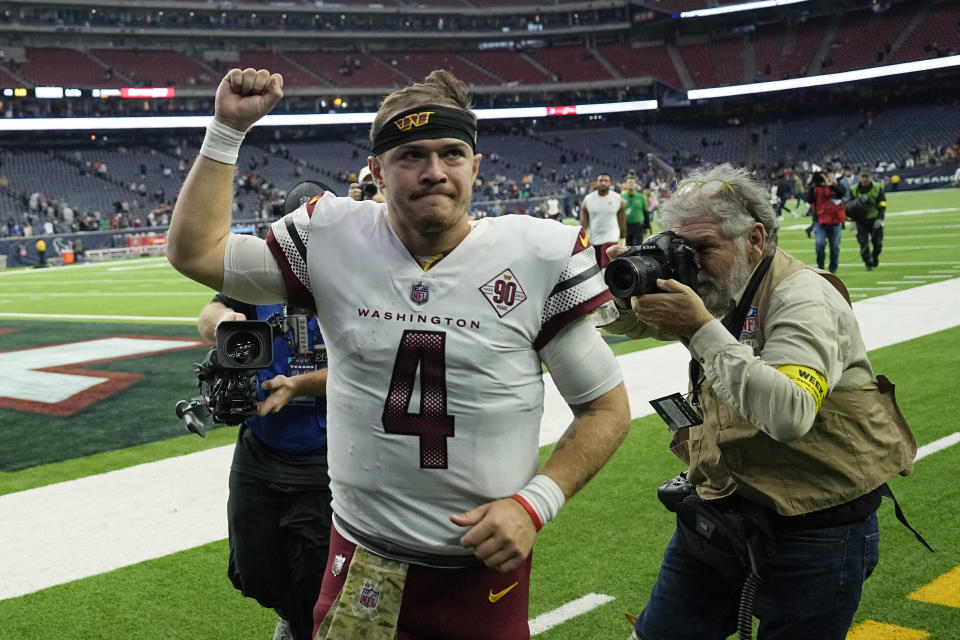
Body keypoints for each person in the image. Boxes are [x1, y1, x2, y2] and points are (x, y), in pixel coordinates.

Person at [167, 67, 631, 640]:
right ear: (377, 172)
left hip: (479, 572)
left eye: (452, 153)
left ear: (475, 166)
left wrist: (536, 502)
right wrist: (227, 129)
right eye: (411, 155)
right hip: (361, 555)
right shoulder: (331, 235)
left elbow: (606, 408)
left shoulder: (534, 254)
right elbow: (196, 252)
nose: (434, 172)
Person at [602, 164, 920, 640]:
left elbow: (790, 413)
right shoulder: (722, 282)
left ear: (754, 239)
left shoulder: (804, 296)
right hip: (719, 506)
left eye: (703, 249)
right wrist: (625, 292)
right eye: (679, 248)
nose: (690, 263)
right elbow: (629, 324)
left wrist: (696, 327)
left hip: (817, 528)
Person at [197, 296, 331, 640]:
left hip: (324, 457)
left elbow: (367, 367)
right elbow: (208, 314)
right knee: (251, 570)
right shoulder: (264, 272)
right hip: (260, 447)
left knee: (313, 577)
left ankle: (300, 624)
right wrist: (226, 320)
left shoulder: (349, 277)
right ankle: (288, 612)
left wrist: (299, 385)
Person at [580, 172, 626, 268]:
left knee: (607, 269)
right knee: (596, 271)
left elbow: (622, 223)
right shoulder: (588, 200)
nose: (603, 183)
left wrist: (622, 242)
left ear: (610, 183)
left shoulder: (618, 199)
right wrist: (583, 245)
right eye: (601, 180)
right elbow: (583, 226)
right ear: (597, 182)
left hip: (611, 240)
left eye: (606, 181)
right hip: (594, 240)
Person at [805, 171, 846, 274]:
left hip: (835, 222)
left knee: (835, 247)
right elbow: (809, 200)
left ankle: (833, 270)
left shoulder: (836, 185)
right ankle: (821, 267)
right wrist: (811, 185)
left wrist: (829, 185)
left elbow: (842, 193)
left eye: (828, 175)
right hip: (820, 222)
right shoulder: (815, 188)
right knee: (819, 244)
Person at [850, 167, 886, 270]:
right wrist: (853, 221)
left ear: (871, 177)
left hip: (875, 219)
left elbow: (882, 204)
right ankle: (867, 262)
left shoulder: (878, 188)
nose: (864, 179)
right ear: (859, 177)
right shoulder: (853, 189)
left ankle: (875, 257)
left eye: (867, 176)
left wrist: (880, 218)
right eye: (862, 176)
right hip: (860, 221)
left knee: (878, 243)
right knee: (863, 243)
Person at [622, 175, 650, 246]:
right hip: (627, 226)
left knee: (637, 246)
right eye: (629, 183)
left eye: (633, 183)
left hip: (639, 226)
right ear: (625, 184)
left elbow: (645, 212)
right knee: (628, 247)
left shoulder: (641, 197)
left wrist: (647, 226)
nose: (631, 184)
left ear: (636, 184)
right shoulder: (621, 197)